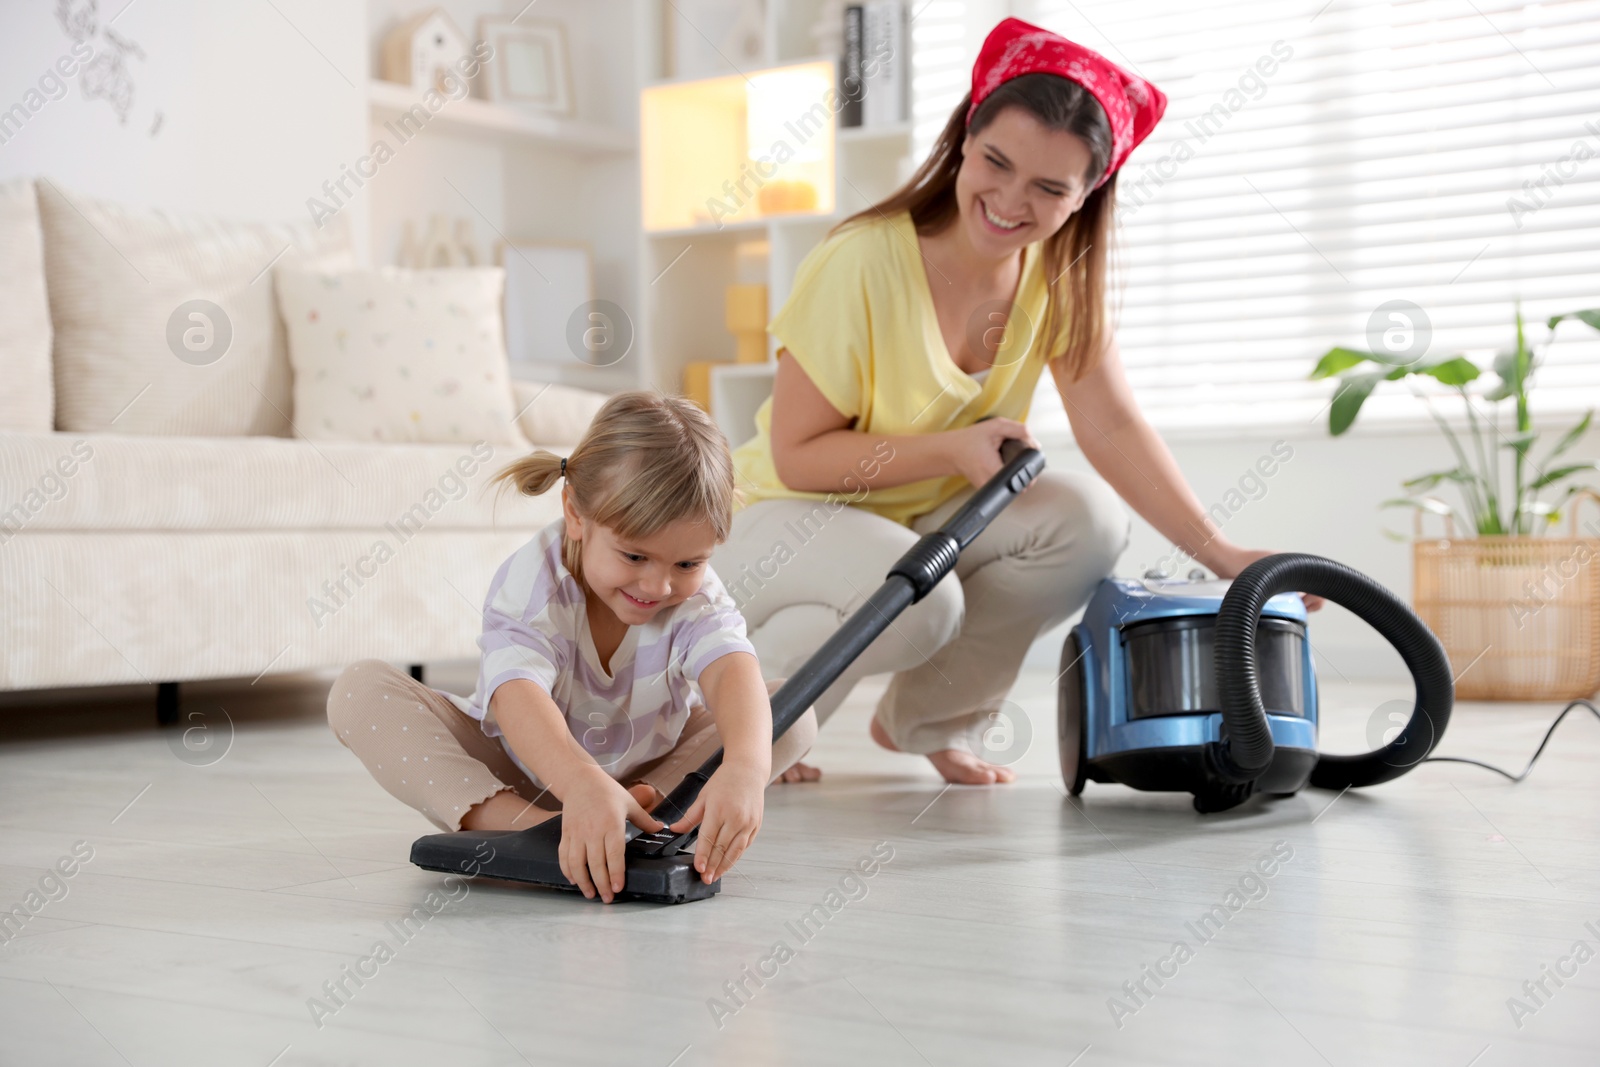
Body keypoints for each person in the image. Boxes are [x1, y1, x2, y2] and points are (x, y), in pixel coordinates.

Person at [714, 18, 1323, 788]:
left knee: (1085, 521)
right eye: (996, 162)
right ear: (966, 136)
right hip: (780, 518)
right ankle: (739, 720)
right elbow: (799, 456)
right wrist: (949, 449)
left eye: (1048, 188)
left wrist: (1223, 553)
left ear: (1086, 195)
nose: (1008, 200)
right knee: (921, 604)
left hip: (906, 531)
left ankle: (927, 719)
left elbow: (1112, 424)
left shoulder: (1057, 277)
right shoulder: (862, 259)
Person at [328, 391, 816, 903]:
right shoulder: (535, 578)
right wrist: (578, 781)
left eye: (687, 565)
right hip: (522, 771)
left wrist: (745, 767)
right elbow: (516, 691)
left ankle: (638, 814)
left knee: (791, 711)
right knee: (359, 690)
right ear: (576, 513)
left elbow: (728, 666)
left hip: (648, 771)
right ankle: (536, 829)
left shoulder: (695, 594)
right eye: (634, 556)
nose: (658, 586)